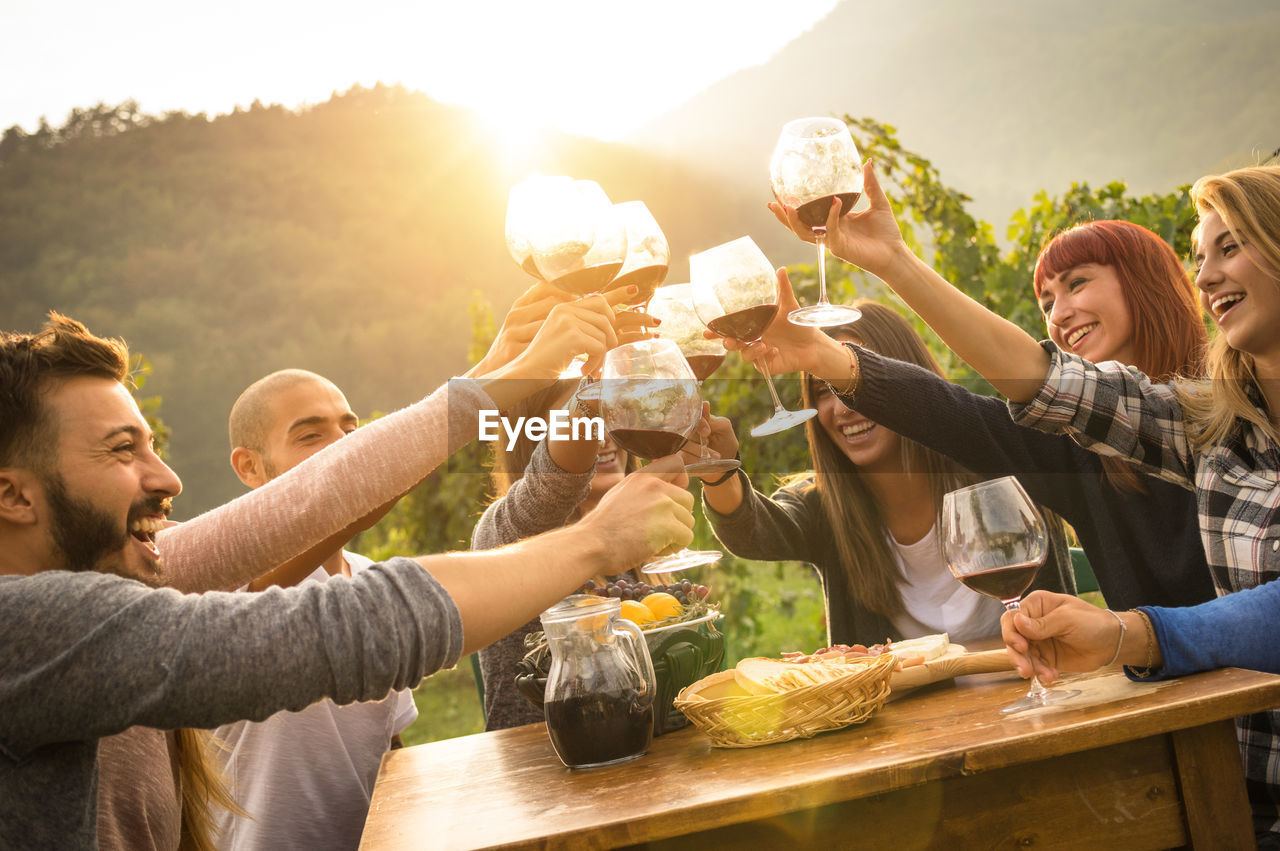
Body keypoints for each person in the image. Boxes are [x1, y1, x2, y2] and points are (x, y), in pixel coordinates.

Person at [0, 311, 695, 849]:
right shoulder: (26, 631)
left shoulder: (117, 577)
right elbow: (358, 623)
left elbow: (308, 503)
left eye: (152, 445)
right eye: (123, 450)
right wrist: (593, 542)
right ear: (15, 496)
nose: (167, 479)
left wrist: (495, 375)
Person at [773, 160, 1280, 843]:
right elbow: (1029, 385)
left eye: (1231, 246)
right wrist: (872, 295)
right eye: (1200, 256)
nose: (1208, 274)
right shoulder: (1207, 425)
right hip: (1216, 775)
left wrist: (1131, 633)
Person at [735, 219, 1215, 612]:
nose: (1059, 315)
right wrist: (827, 359)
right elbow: (955, 416)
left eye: (1077, 283)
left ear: (1145, 283)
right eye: (1047, 302)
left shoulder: (1231, 418)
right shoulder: (1075, 451)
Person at [696, 301, 1074, 649]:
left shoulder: (994, 470)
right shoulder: (826, 507)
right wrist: (719, 470)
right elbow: (753, 531)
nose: (843, 407)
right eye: (823, 390)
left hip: (1035, 689)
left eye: (852, 381)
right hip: (909, 722)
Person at [199, 369, 417, 849]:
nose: (344, 445)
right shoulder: (223, 591)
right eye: (311, 435)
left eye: (350, 429)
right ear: (250, 468)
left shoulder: (372, 579)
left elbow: (389, 747)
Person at [471, 378, 642, 729]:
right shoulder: (507, 530)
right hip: (540, 768)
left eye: (610, 412)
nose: (605, 434)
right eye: (581, 417)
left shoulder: (631, 536)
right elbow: (547, 489)